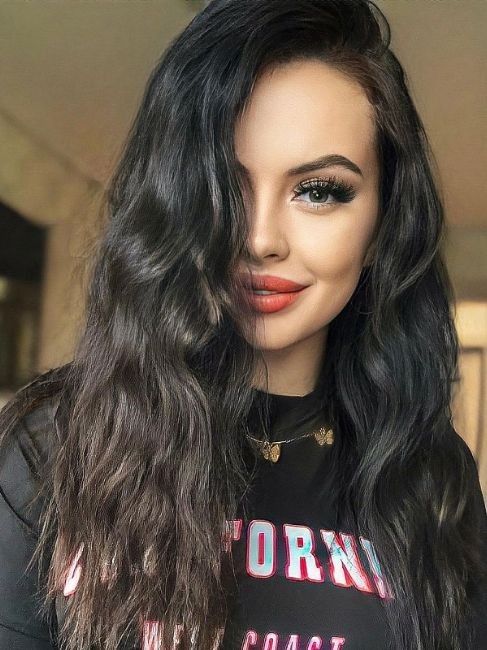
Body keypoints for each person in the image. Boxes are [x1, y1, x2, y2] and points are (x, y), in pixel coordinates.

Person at [0, 1, 486, 648]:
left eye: (318, 190)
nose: (259, 239)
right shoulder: (57, 444)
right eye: (222, 185)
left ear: (380, 226)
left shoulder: (432, 476)